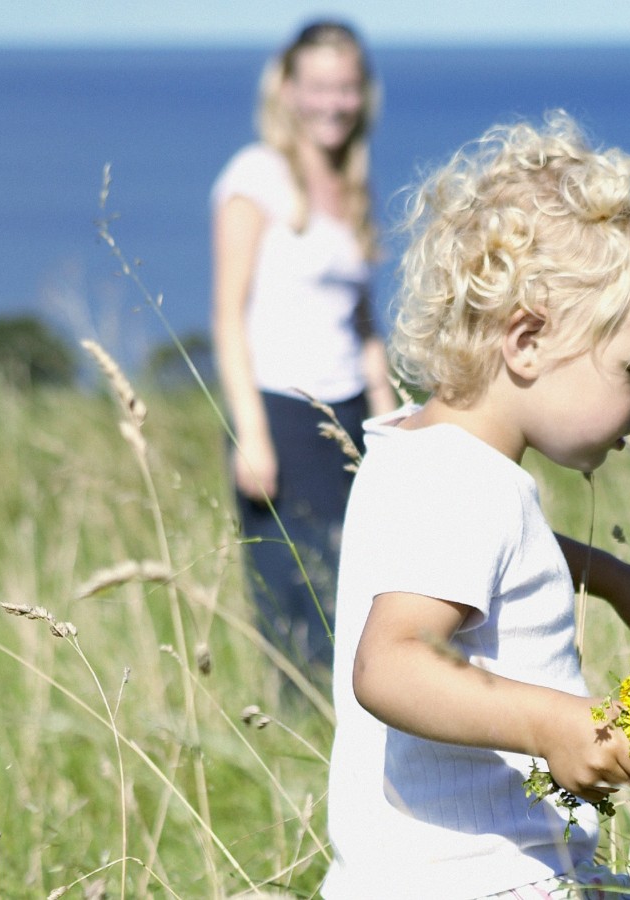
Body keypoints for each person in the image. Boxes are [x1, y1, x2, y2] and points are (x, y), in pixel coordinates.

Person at [322, 113, 630, 898]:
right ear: (526, 341)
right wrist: (554, 724)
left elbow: (491, 554)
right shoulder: (468, 483)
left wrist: (611, 577)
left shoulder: (418, 450)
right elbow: (389, 665)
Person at [210, 20, 397, 674]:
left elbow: (363, 323)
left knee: (357, 592)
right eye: (319, 87)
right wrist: (252, 436)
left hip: (348, 414)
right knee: (294, 602)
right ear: (288, 90)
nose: (334, 103)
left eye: (346, 87)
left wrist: (390, 422)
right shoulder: (254, 176)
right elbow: (228, 319)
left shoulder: (351, 183)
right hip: (279, 413)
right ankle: (299, 736)